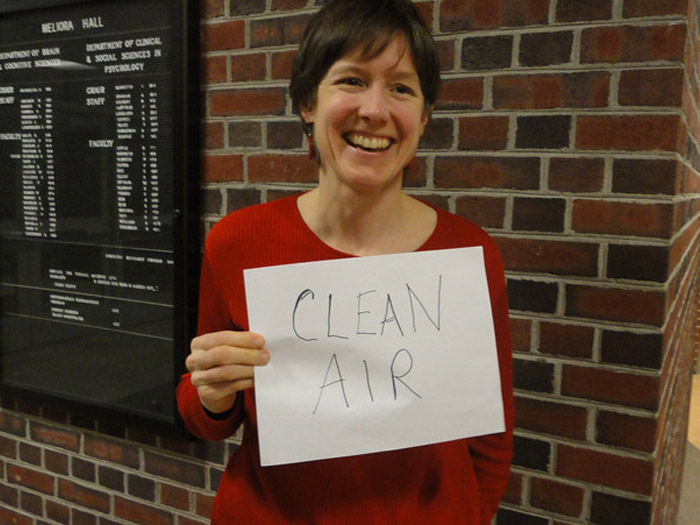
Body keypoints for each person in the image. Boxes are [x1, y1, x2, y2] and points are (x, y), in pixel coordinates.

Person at [177, 0, 513, 523]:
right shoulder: (237, 242)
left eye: (401, 88)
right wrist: (213, 396)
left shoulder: (466, 254)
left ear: (423, 118)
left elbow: (491, 437)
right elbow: (206, 416)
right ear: (308, 101)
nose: (375, 110)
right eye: (352, 80)